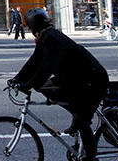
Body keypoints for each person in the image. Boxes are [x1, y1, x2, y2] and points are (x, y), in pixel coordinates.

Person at [9, 8, 108, 161]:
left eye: (30, 26)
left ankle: (90, 157)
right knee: (46, 87)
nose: (29, 30)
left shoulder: (52, 38)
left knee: (83, 120)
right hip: (77, 79)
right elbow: (34, 61)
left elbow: (46, 67)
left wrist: (28, 84)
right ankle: (76, 114)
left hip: (93, 80)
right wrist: (17, 79)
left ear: (34, 25)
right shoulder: (46, 36)